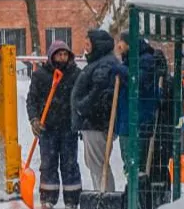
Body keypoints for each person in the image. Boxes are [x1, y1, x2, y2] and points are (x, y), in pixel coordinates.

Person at [70, 29, 127, 193]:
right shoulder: (100, 63)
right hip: (94, 122)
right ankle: (101, 194)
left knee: (98, 164)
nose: (85, 48)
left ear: (98, 46)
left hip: (96, 123)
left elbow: (98, 93)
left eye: (88, 45)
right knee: (95, 164)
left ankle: (105, 196)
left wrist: (81, 107)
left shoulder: (103, 65)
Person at [26, 40, 81, 209]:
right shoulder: (40, 76)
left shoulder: (75, 75)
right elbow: (32, 100)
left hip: (68, 128)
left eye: (65, 54)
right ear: (51, 56)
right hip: (47, 128)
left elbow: (80, 98)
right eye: (59, 55)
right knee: (48, 163)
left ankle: (72, 198)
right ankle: (48, 197)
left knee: (69, 163)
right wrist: (34, 119)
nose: (62, 58)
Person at [115, 33, 168, 179]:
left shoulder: (146, 61)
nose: (118, 46)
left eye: (121, 42)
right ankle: (132, 187)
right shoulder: (127, 62)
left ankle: (137, 190)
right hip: (126, 121)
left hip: (139, 121)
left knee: (136, 165)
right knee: (129, 165)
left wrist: (121, 70)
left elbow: (138, 82)